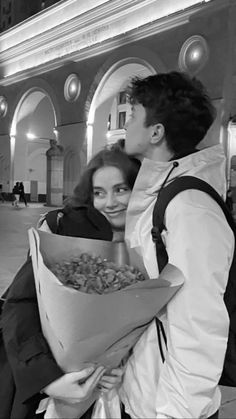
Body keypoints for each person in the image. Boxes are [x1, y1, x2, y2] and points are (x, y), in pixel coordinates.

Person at [122, 71, 234, 419]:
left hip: (167, 405)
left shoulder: (189, 207)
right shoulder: (165, 191)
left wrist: (175, 414)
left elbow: (199, 326)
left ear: (156, 132)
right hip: (144, 389)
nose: (125, 126)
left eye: (133, 116)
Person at [1, 144, 140, 419]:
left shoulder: (152, 243)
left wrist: (124, 365)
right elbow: (19, 304)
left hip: (125, 395)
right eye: (99, 193)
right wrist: (49, 379)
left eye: (121, 189)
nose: (110, 202)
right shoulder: (65, 231)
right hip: (57, 388)